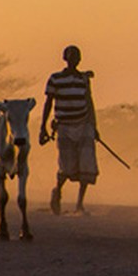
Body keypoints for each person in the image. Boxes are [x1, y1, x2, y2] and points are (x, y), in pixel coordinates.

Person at [39, 45, 99, 214]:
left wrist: (94, 126)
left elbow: (89, 102)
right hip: (64, 126)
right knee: (66, 165)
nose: (74, 60)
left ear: (79, 60)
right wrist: (42, 127)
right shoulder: (55, 79)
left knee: (86, 163)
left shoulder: (83, 80)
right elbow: (48, 103)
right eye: (71, 56)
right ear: (65, 59)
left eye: (76, 57)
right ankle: (57, 191)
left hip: (84, 124)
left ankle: (79, 204)